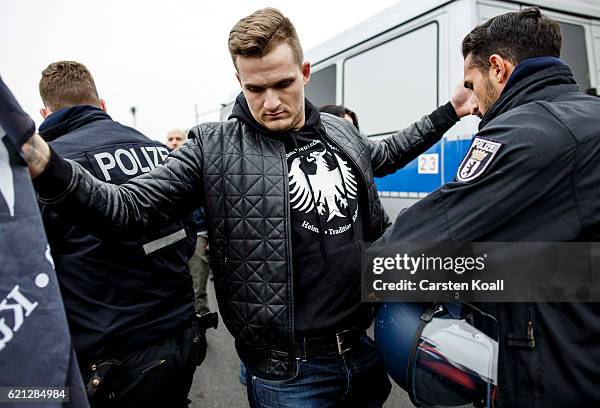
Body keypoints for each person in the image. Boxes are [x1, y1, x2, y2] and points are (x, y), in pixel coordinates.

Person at [20, 8, 474, 407]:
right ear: (239, 81)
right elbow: (127, 208)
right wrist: (48, 165)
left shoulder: (340, 131)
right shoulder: (211, 147)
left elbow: (388, 152)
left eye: (283, 84)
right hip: (289, 377)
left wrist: (450, 111)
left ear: (305, 72)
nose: (271, 102)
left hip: (362, 351)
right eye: (256, 89)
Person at [380, 7, 600, 406]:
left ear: (498, 69)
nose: (473, 105)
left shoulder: (526, 132)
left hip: (556, 378)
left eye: (472, 85)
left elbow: (405, 248)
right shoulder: (599, 116)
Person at [36, 61, 210, 407]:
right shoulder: (159, 151)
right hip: (181, 337)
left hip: (113, 358)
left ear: (44, 111)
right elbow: (188, 234)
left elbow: (39, 268)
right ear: (102, 105)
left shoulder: (50, 171)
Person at [165, 128, 211, 316]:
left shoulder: (198, 167)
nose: (174, 142)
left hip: (199, 234)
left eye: (178, 139)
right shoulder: (162, 168)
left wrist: (209, 237)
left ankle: (201, 330)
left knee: (197, 288)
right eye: (170, 139)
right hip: (172, 238)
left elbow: (210, 205)